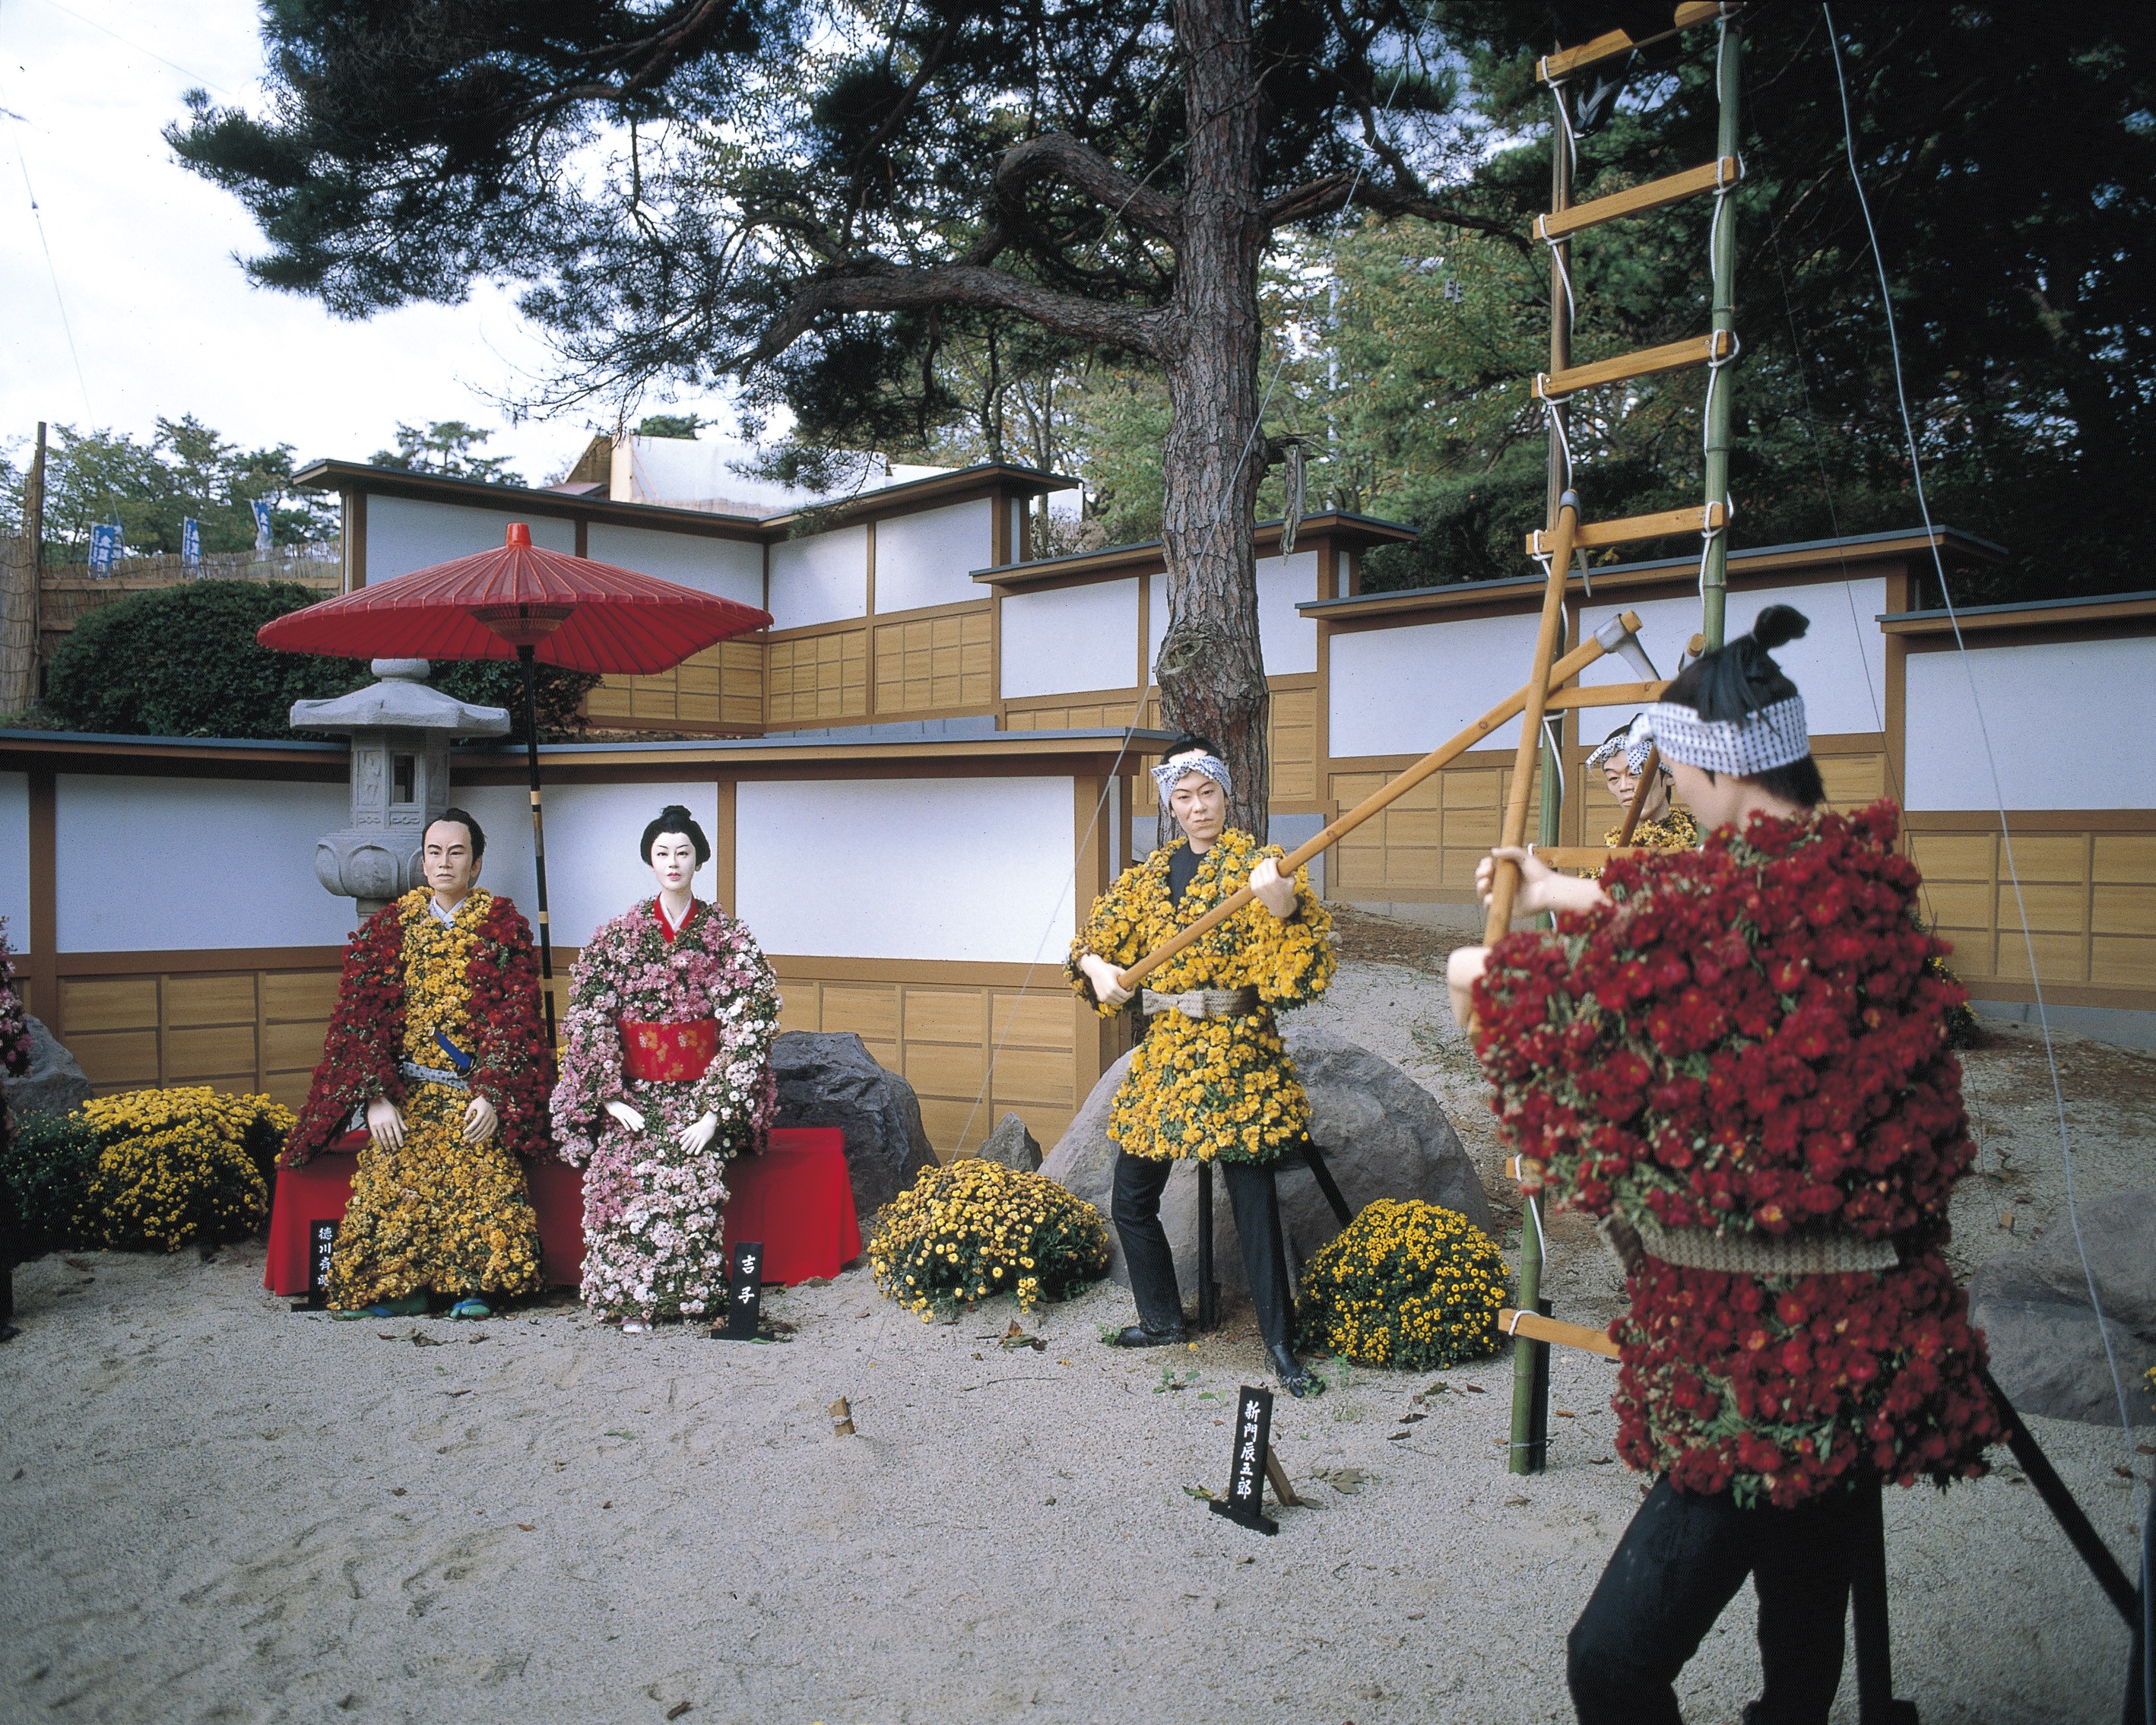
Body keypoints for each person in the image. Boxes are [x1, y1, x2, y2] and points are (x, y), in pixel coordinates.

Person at [1447, 607, 1999, 1725]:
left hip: (1759, 1355)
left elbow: (1539, 1018)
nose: (1676, 793)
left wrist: (1475, 971)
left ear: (1709, 767)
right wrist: (1558, 888)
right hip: (1873, 1337)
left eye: (1677, 771)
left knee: (1612, 1659)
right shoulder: (1863, 895)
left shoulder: (1719, 914)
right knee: (1803, 1619)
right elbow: (1706, 910)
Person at [1067, 736, 1336, 1395]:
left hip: (1239, 1050)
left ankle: (1279, 1342)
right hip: (1166, 1055)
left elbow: (1302, 975)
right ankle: (1161, 1320)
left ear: (1226, 793)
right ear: (1171, 805)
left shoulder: (1259, 865)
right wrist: (1097, 968)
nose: (1197, 808)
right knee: (1130, 1197)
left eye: (1207, 793)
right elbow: (1088, 946)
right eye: (1183, 797)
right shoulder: (1148, 878)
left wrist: (1284, 907)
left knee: (1254, 1202)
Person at [286, 810, 553, 1319]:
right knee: (388, 1184)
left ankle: (474, 1287)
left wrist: (493, 1094)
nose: (445, 862)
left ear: (475, 864)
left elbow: (515, 1018)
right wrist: (376, 1098)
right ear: (422, 863)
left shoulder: (503, 927)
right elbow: (359, 1015)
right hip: (405, 1095)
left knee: (484, 1177)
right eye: (435, 852)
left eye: (457, 852)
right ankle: (398, 1289)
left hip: (471, 1094)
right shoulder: (389, 927)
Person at [550, 804, 780, 1331]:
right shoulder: (620, 935)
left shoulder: (728, 936)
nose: (673, 862)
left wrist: (717, 1112)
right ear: (649, 861)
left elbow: (752, 1019)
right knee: (619, 1171)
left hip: (701, 1091)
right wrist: (607, 1095)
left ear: (699, 859)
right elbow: (589, 1011)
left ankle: (683, 1294)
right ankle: (627, 1298)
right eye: (662, 853)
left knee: (688, 1174)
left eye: (683, 853)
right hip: (634, 1091)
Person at [1584, 713, 1698, 859]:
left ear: (1669, 775)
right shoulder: (1615, 850)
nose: (1624, 787)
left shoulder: (1699, 842)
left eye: (1634, 773)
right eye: (1614, 778)